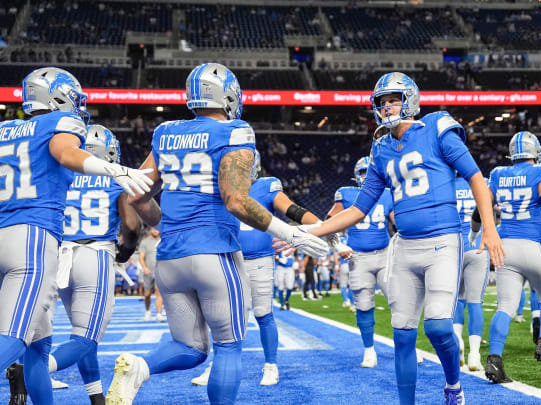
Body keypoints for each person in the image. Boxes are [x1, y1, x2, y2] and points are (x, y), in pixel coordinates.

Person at [105, 62, 328, 405]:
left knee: (190, 349)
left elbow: (136, 196)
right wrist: (293, 234)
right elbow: (236, 201)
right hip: (214, 254)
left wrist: (169, 227)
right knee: (228, 346)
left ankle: (141, 367)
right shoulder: (235, 131)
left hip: (170, 259)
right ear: (227, 95)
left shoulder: (166, 132)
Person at [309, 72, 504, 405]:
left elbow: (475, 177)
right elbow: (358, 209)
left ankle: (454, 385)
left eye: (393, 100)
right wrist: (305, 232)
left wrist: (490, 226)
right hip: (404, 247)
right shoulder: (381, 149)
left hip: (443, 241)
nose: (386, 108)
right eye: (381, 103)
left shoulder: (437, 128)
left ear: (410, 99)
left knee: (439, 327)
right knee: (402, 336)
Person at [1, 68, 152, 405]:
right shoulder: (63, 129)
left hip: (17, 235)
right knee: (31, 337)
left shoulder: (5, 129)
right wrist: (115, 169)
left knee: (38, 344)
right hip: (41, 242)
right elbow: (67, 154)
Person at [191, 150, 324, 387]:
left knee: (263, 313)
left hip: (260, 260)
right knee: (224, 318)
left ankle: (271, 365)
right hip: (229, 259)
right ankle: (217, 365)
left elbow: (291, 209)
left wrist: (321, 226)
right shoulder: (220, 189)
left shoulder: (266, 186)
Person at [46, 125, 142, 403]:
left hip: (61, 259)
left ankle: (96, 397)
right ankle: (36, 370)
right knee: (86, 337)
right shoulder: (113, 177)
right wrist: (125, 251)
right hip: (96, 254)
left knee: (81, 334)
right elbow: (132, 225)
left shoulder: (60, 176)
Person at [481, 133, 541, 383]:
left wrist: (473, 231)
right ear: (536, 151)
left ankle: (494, 361)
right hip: (534, 244)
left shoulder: (498, 174)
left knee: (505, 307)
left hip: (505, 247)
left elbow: (483, 205)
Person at [326, 156, 394, 368]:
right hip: (359, 258)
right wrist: (339, 246)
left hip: (385, 255)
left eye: (369, 171)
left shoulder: (387, 193)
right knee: (363, 306)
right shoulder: (346, 194)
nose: (366, 176)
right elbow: (329, 224)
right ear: (356, 175)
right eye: (363, 171)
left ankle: (406, 347)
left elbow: (399, 224)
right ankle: (369, 350)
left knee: (400, 303)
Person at [452, 174, 490, 372]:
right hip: (477, 247)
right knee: (475, 302)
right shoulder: (481, 182)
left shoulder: (443, 181)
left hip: (452, 248)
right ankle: (474, 353)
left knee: (456, 298)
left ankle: (457, 339)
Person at [139, 227, 163, 322]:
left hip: (160, 271)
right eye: (154, 229)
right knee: (147, 294)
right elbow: (141, 257)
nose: (156, 230)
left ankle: (158, 314)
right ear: (150, 229)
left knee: (159, 292)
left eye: (157, 228)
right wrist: (144, 268)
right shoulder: (145, 242)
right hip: (148, 271)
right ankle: (148, 312)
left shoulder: (163, 240)